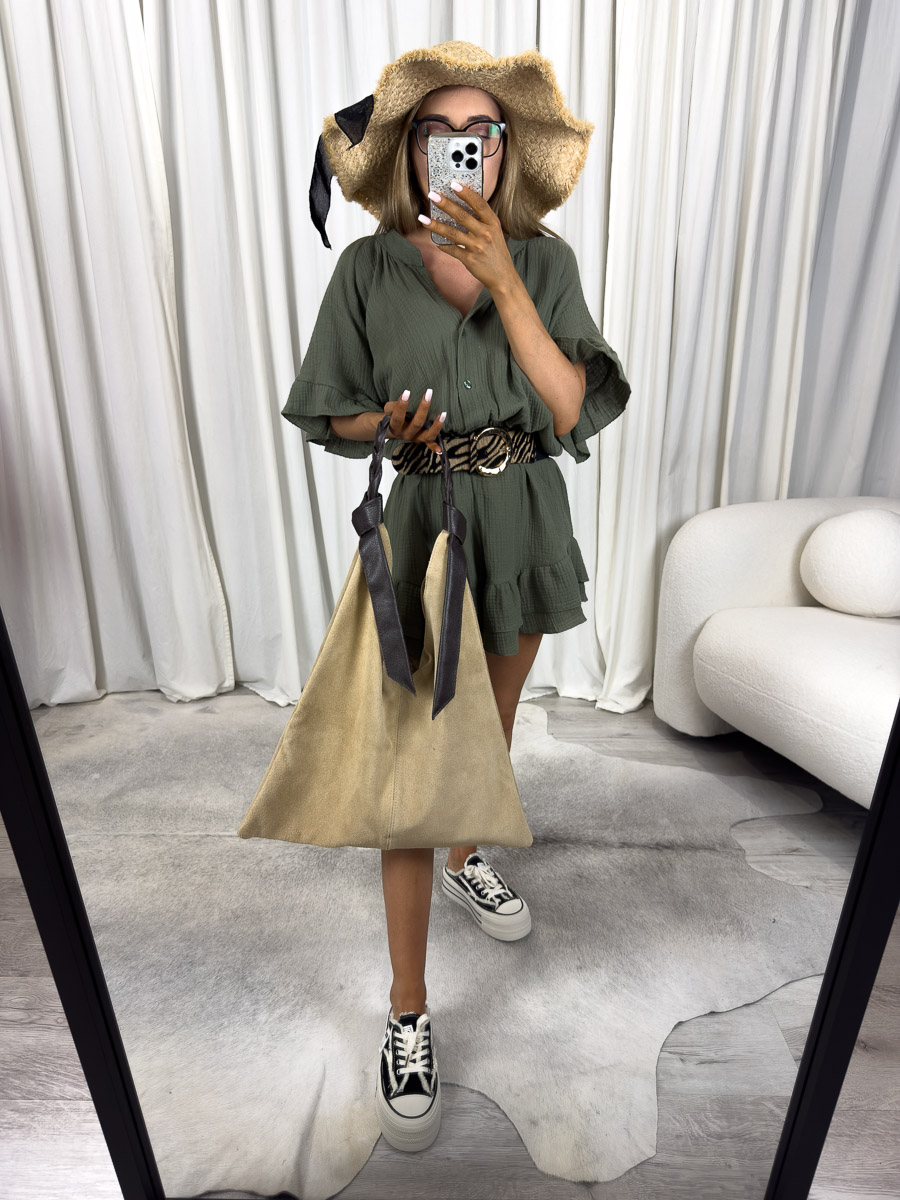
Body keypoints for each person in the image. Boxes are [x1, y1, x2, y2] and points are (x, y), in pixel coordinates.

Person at [288, 41, 631, 1152]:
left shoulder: (546, 262)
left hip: (524, 517)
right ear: (410, 151)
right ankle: (407, 1011)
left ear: (505, 150)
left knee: (488, 726)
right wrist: (383, 426)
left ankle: (465, 854)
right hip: (424, 524)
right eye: (439, 132)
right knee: (414, 771)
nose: (461, 148)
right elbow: (331, 411)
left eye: (480, 132)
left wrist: (504, 280)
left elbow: (570, 405)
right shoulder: (366, 270)